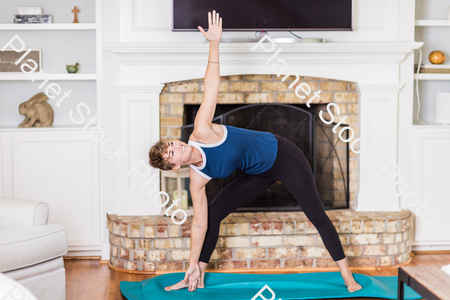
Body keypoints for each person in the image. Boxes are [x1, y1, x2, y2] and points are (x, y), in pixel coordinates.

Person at [149, 10, 363, 293]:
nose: (177, 146)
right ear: (175, 167)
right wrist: (190, 263)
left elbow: (211, 86)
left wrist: (214, 44)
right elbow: (199, 225)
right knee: (212, 214)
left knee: (315, 213)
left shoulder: (201, 130)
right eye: (172, 153)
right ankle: (195, 276)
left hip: (283, 156)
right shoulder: (197, 180)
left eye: (172, 144)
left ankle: (348, 277)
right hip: (256, 172)